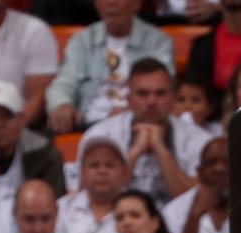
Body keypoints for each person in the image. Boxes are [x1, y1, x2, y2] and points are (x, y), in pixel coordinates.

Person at [84, 60, 209, 208]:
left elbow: (195, 203)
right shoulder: (101, 136)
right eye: (143, 94)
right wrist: (134, 154)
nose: (151, 102)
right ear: (129, 99)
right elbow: (95, 200)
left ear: (173, 98)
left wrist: (161, 149)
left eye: (160, 94)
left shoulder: (199, 140)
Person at [46, 0, 175, 132]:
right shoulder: (82, 40)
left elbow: (163, 91)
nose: (112, 3)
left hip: (137, 123)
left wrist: (131, 112)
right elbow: (63, 83)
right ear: (96, 4)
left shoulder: (158, 42)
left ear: (137, 4)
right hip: (86, 124)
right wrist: (61, 104)